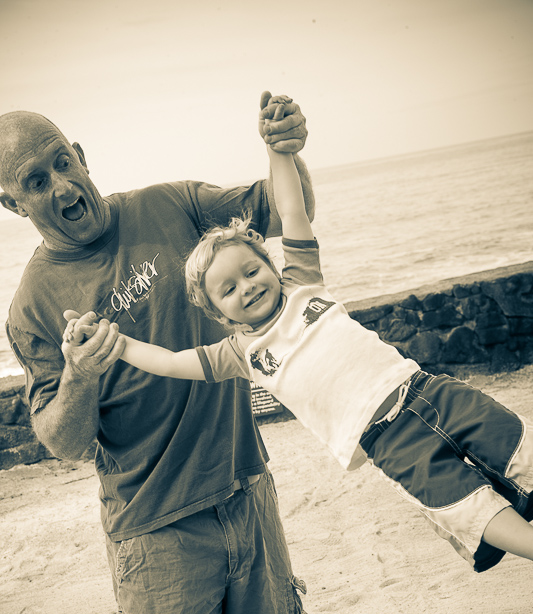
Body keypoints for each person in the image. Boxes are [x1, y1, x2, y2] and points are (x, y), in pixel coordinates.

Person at [66, 97, 533, 576]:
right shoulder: (240, 353)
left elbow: (290, 210)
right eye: (228, 289)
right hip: (387, 441)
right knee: (464, 506)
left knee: (514, 444)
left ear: (271, 264)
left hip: (429, 390)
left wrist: (278, 152)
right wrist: (113, 343)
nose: (246, 287)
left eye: (251, 271)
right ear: (217, 311)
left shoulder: (302, 283)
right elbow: (169, 362)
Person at [2, 93, 315, 614]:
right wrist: (80, 373)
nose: (59, 185)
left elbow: (285, 209)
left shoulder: (172, 204)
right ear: (12, 206)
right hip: (155, 527)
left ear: (80, 157)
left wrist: (288, 147)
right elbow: (62, 441)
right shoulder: (32, 306)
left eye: (60, 163)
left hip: (245, 488)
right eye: (34, 181)